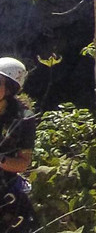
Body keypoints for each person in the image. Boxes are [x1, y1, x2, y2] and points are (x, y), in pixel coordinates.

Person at [0, 57, 36, 233]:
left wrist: (1, 160)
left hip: (5, 189)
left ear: (10, 88)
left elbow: (23, 163)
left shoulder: (23, 119)